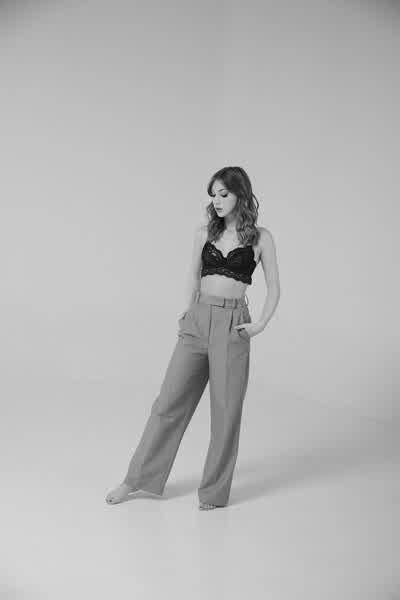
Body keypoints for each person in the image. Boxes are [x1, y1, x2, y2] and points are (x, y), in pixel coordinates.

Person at [105, 166, 280, 510]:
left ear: (241, 195)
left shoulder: (261, 238)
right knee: (168, 402)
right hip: (198, 319)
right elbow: (193, 275)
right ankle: (136, 479)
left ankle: (213, 494)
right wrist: (188, 312)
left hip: (233, 323)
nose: (217, 201)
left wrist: (259, 324)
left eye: (224, 194)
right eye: (213, 195)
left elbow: (274, 286)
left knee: (226, 412)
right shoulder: (204, 234)